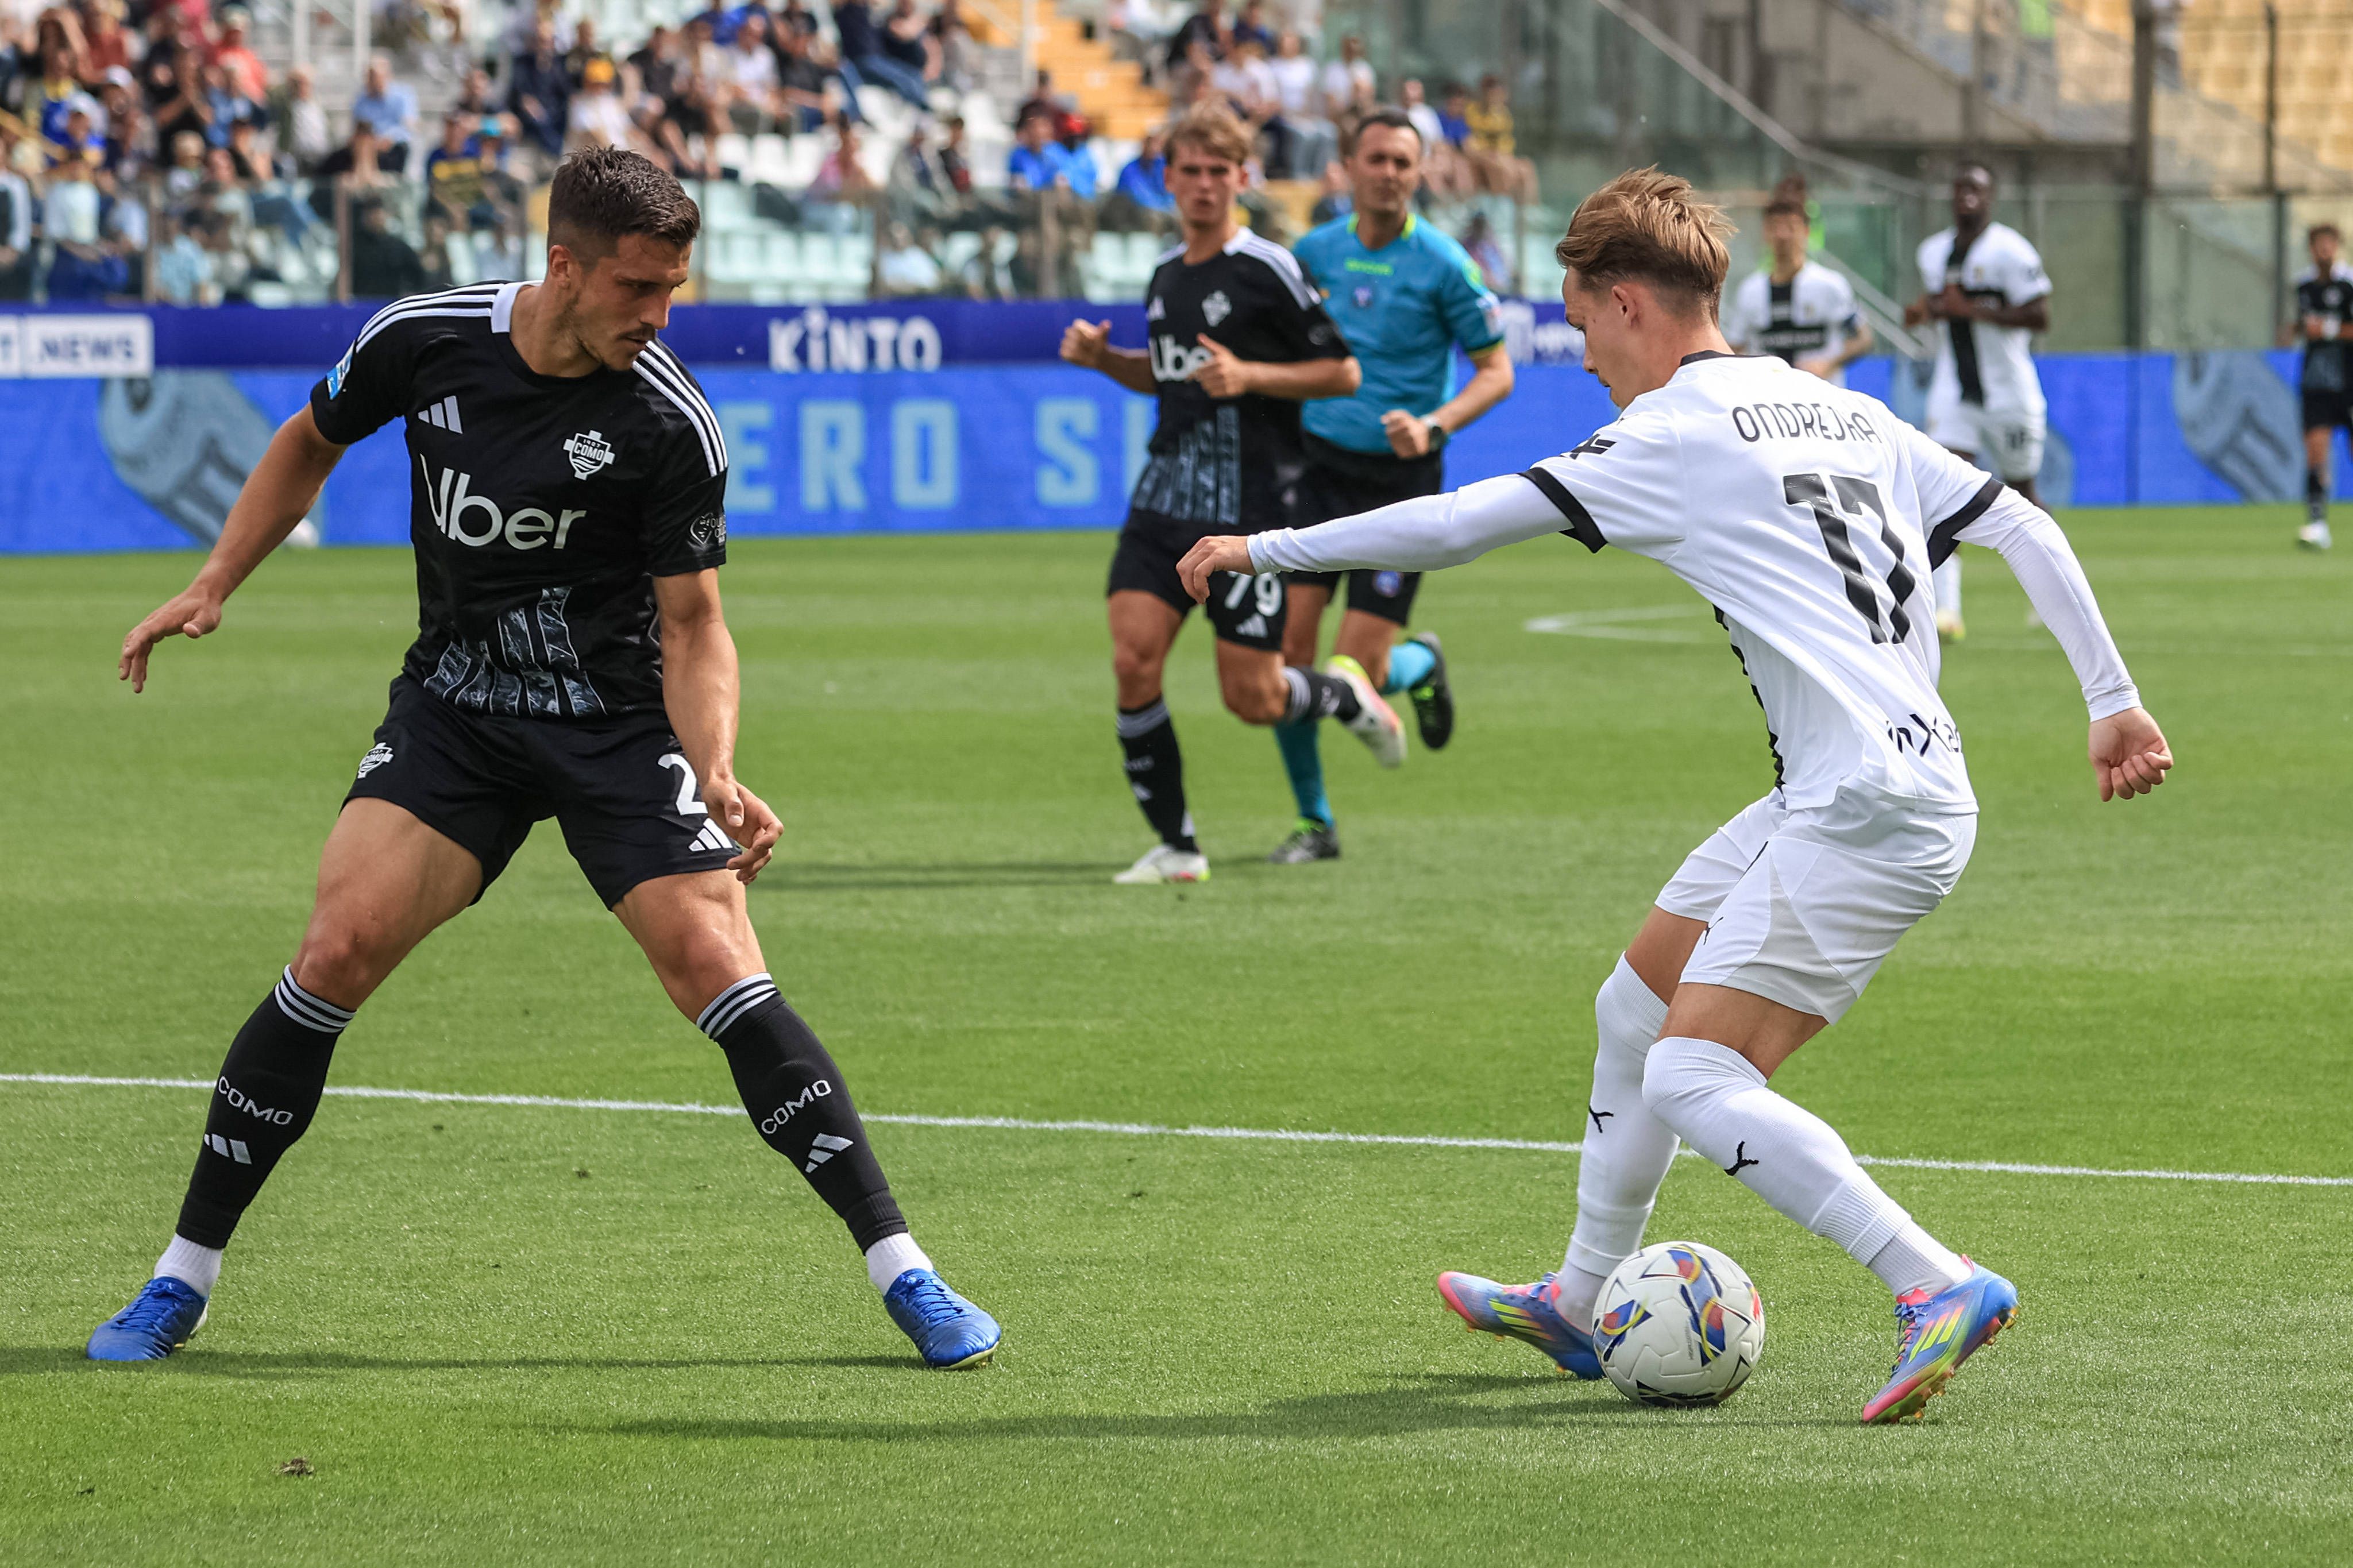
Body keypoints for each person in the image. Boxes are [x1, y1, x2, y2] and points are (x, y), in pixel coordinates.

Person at [1180, 167, 2173, 1422]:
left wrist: (1259, 548)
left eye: (1582, 322)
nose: (1583, 355)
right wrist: (2111, 700)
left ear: (1630, 300)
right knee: (1633, 1006)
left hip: (1865, 809)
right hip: (1865, 783)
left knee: (1692, 1077)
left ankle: (1933, 1281)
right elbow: (2024, 525)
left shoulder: (1670, 432)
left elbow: (1455, 528)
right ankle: (1582, 1299)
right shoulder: (1837, 409)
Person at [94, 148, 1002, 1373]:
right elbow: (309, 438)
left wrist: (716, 771)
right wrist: (215, 582)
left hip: (614, 729)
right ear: (562, 266)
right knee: (333, 953)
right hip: (458, 714)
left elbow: (694, 626)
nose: (660, 315)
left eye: (676, 288)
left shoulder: (667, 416)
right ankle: (179, 1279)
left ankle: (907, 1272)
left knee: (717, 965)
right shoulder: (422, 340)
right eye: (639, 288)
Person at [1058, 106, 1389, 886]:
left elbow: (1341, 372)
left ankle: (1339, 694)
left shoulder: (1267, 266)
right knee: (1134, 660)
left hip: (1249, 509)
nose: (1204, 186)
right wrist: (1109, 360)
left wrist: (1251, 376)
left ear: (1243, 179)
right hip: (1164, 498)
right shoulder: (1167, 275)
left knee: (1254, 696)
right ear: (1167, 179)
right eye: (1190, 172)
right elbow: (1170, 375)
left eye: (1219, 172)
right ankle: (1178, 845)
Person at [1269, 108, 1512, 864]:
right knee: (1290, 661)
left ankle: (1416, 665)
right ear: (1348, 164)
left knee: (1356, 674)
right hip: (1317, 471)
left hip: (1402, 483)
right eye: (1376, 159)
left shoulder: (1444, 263)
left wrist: (1436, 425)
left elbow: (1497, 371)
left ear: (1419, 172)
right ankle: (1316, 822)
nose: (1389, 174)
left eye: (1403, 163)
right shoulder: (1313, 253)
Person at [1903, 161, 2050, 642]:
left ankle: (2050, 598)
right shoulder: (1933, 253)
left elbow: (2039, 314)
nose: (1968, 196)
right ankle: (1947, 612)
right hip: (1955, 392)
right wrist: (1924, 312)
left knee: (2024, 493)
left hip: (2009, 394)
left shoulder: (2011, 251)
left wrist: (1977, 310)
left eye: (1978, 189)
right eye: (1961, 187)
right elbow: (1939, 305)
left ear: (1991, 198)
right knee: (1942, 492)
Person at [1722, 177, 1873, 384]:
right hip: (1769, 406)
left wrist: (1828, 363)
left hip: (1823, 405)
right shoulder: (1750, 291)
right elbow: (1735, 348)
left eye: (1791, 227)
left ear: (1806, 232)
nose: (1783, 235)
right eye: (1775, 227)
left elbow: (1863, 339)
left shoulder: (1830, 285)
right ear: (1765, 232)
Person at [2282, 223, 2353, 551]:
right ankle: (2317, 525)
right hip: (2317, 382)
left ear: (2337, 246)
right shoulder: (2304, 285)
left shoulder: (2349, 283)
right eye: (2317, 245)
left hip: (2349, 381)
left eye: (2329, 244)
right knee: (2315, 453)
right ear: (2311, 249)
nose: (2323, 250)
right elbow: (2302, 324)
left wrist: (2326, 330)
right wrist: (2294, 330)